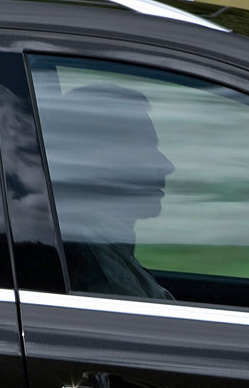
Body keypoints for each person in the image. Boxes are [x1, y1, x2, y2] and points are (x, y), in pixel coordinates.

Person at [37, 80, 178, 300]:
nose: (167, 165)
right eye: (147, 148)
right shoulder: (101, 278)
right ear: (98, 162)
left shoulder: (106, 250)